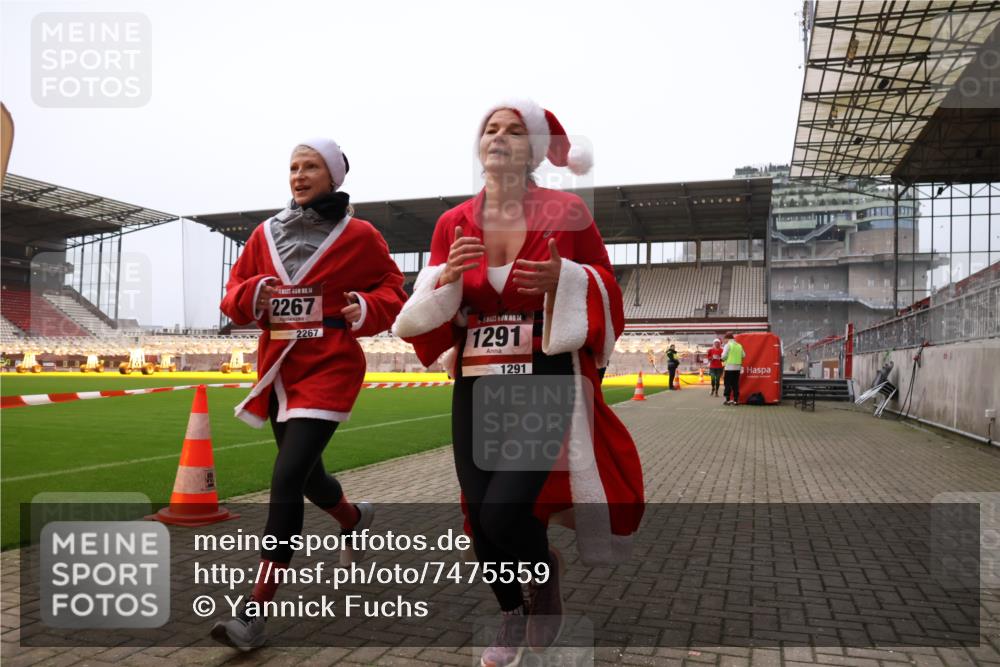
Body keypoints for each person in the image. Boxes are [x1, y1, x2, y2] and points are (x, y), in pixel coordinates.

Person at [392, 99, 644, 667]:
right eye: (490, 129)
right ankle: (511, 610)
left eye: (512, 130)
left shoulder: (569, 211)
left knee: (506, 513)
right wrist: (444, 279)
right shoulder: (451, 222)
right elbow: (432, 309)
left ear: (533, 150)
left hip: (543, 379)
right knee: (479, 518)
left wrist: (567, 279)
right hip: (477, 382)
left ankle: (543, 576)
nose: (498, 136)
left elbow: (606, 286)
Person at [211, 138, 407, 651]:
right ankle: (354, 518)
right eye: (294, 167)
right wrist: (253, 294)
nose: (299, 175)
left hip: (330, 365)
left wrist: (365, 305)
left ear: (333, 176)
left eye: (311, 166)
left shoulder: (360, 235)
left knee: (287, 476)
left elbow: (393, 289)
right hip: (279, 369)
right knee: (309, 474)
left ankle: (253, 613)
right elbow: (231, 295)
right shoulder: (262, 234)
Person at [721, 332, 746, 406]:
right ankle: (735, 400)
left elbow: (723, 356)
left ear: (728, 339)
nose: (724, 341)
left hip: (729, 367)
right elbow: (744, 355)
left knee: (727, 384)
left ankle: (728, 400)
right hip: (737, 368)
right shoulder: (739, 345)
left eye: (725, 339)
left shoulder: (727, 345)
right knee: (735, 384)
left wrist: (723, 358)